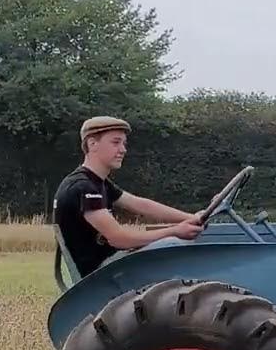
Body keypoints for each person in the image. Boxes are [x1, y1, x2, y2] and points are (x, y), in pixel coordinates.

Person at [53, 115, 203, 276]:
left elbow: (141, 205)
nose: (123, 150)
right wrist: (175, 231)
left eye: (124, 144)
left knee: (172, 245)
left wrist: (192, 217)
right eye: (115, 142)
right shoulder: (83, 187)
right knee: (174, 245)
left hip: (110, 264)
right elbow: (120, 239)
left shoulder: (97, 182)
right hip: (100, 274)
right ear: (92, 144)